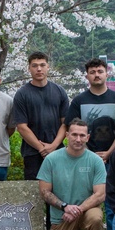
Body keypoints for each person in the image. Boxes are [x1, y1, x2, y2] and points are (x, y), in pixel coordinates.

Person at [37, 119, 106, 230]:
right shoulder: (51, 159)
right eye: (74, 135)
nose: (78, 139)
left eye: (82, 135)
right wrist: (65, 206)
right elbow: (44, 192)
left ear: (88, 137)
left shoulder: (95, 161)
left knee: (96, 218)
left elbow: (100, 194)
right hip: (62, 216)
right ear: (67, 135)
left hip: (86, 211)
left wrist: (77, 210)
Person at [12, 51, 70, 180]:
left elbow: (65, 123)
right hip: (32, 152)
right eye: (34, 65)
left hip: (58, 151)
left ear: (48, 67)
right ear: (29, 68)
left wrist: (54, 146)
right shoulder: (22, 94)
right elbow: (21, 126)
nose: (39, 69)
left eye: (42, 65)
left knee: (59, 189)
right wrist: (41, 148)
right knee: (34, 192)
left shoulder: (59, 91)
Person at [66, 57, 115, 164]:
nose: (96, 75)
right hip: (84, 157)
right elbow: (71, 129)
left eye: (100, 71)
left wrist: (109, 152)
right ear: (87, 76)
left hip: (114, 158)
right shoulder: (79, 100)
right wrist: (89, 154)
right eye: (92, 72)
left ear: (106, 74)